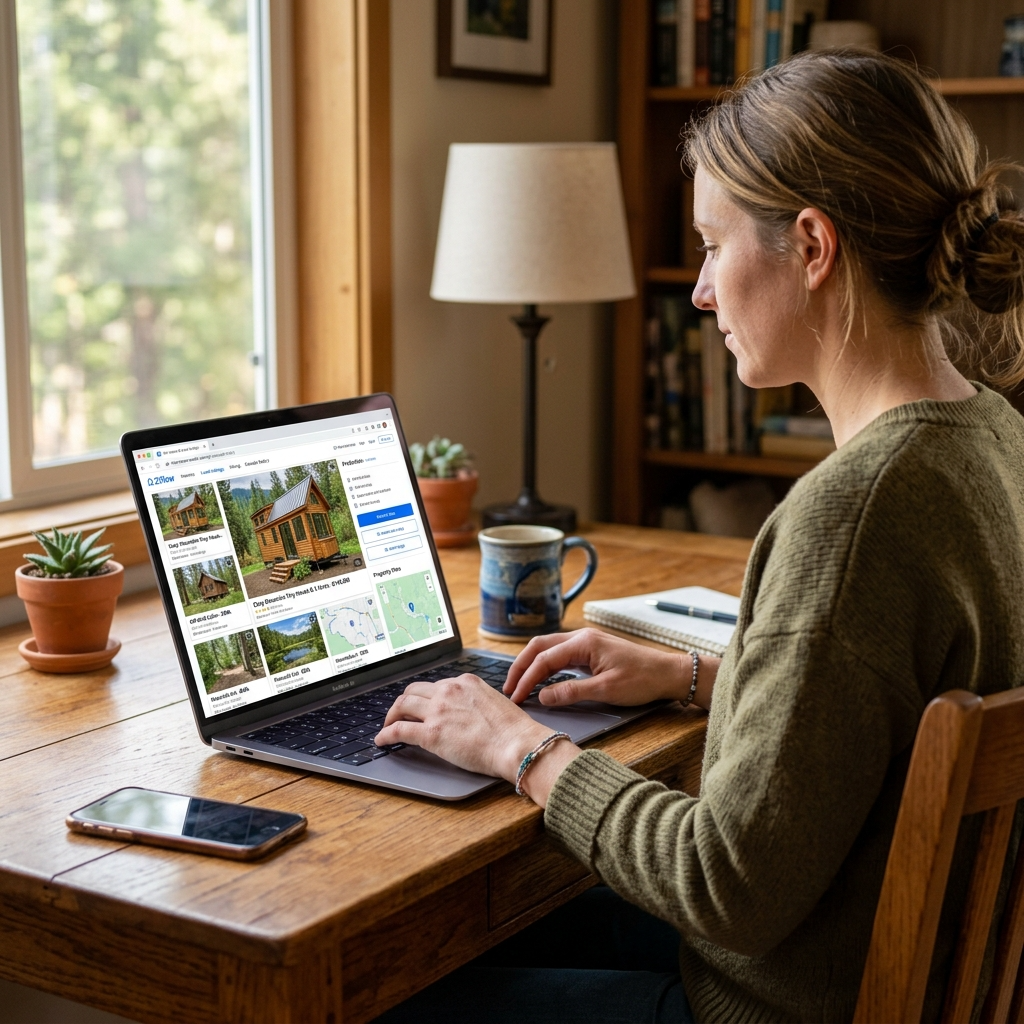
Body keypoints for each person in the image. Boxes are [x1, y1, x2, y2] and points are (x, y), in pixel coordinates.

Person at [374, 49, 1024, 1024]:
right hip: (921, 975)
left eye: (713, 246)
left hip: (775, 1001)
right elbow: (889, 714)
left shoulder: (851, 512)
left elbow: (726, 887)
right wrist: (693, 676)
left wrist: (520, 745)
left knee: (381, 992)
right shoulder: (995, 437)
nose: (700, 292)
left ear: (811, 246)